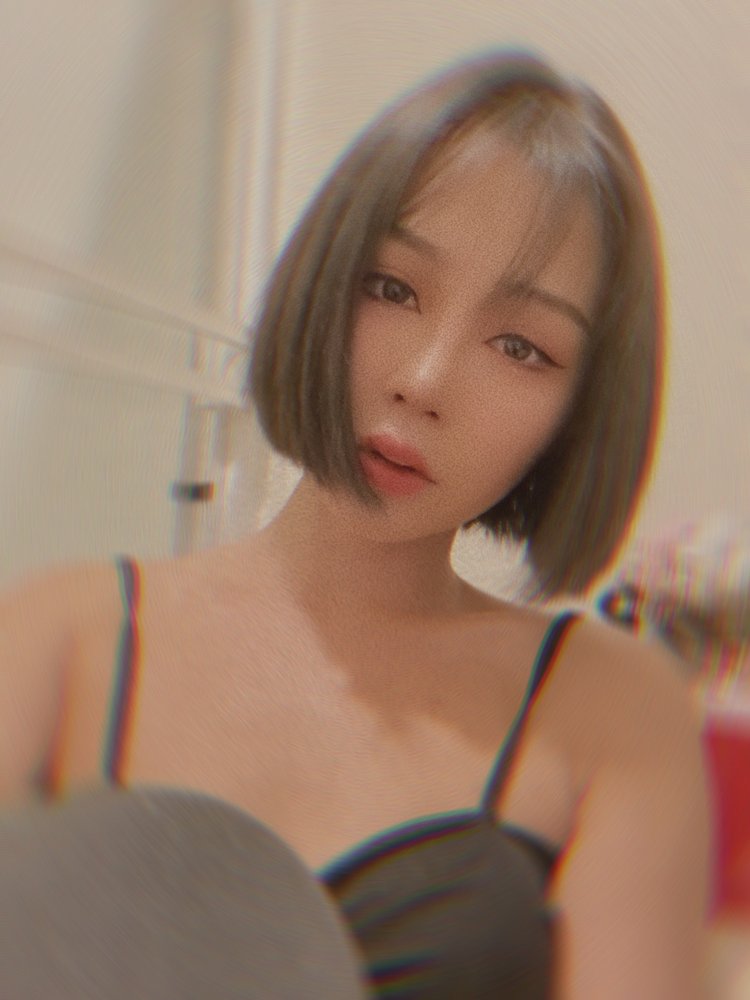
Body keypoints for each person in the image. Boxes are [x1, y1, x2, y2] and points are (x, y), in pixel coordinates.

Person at [0, 50, 710, 998]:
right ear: (324, 274)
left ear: (580, 409)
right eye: (392, 288)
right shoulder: (59, 638)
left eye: (519, 346)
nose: (423, 380)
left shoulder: (613, 712)